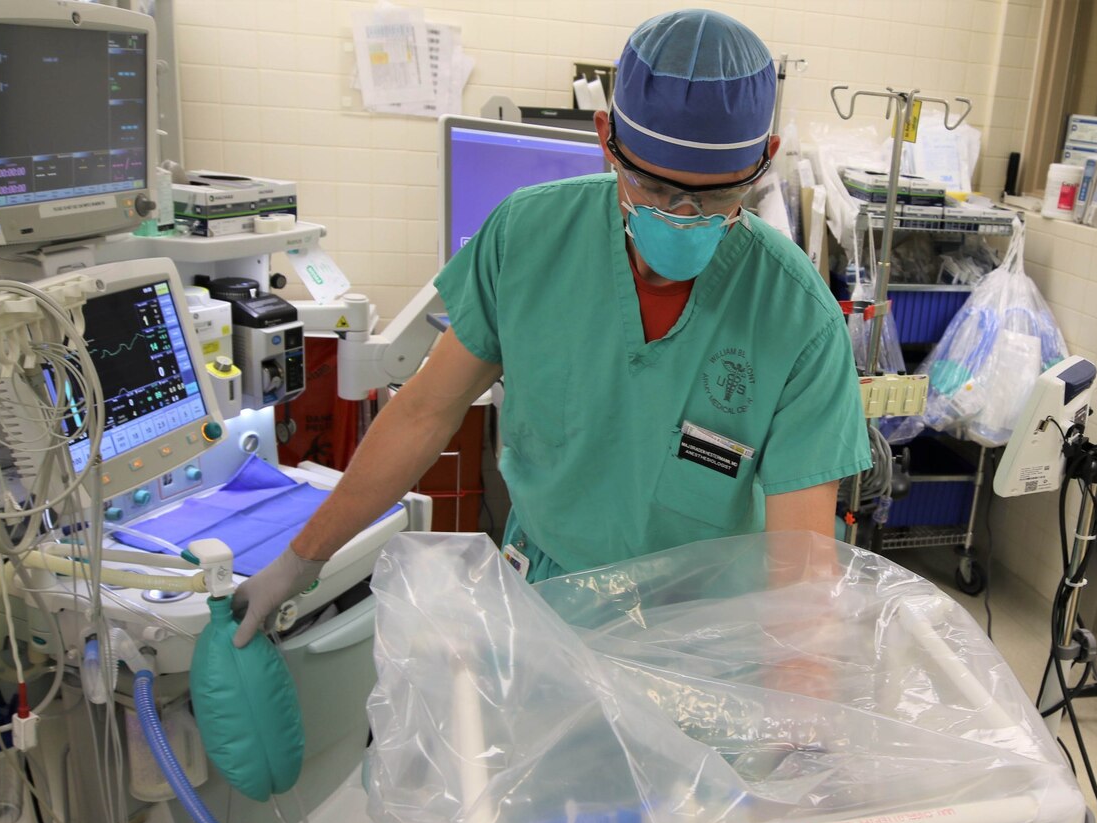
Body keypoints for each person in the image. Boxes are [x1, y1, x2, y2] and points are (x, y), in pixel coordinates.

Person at [234, 9, 870, 648]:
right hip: (544, 612)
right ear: (604, 137)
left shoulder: (797, 317)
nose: (680, 218)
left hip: (700, 640)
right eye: (650, 187)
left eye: (715, 199)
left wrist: (800, 731)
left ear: (766, 160)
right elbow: (425, 412)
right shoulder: (529, 238)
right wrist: (303, 559)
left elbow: (801, 570)